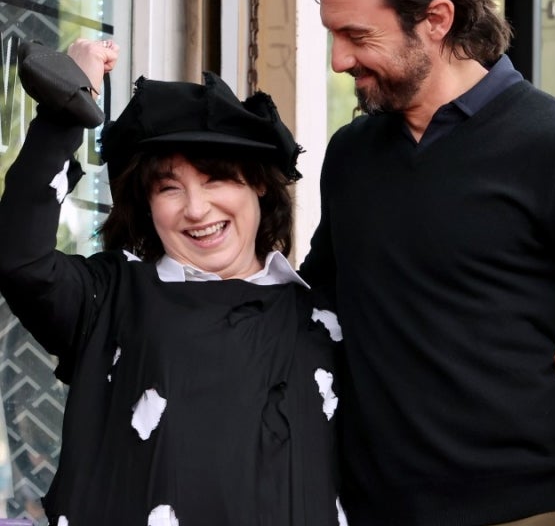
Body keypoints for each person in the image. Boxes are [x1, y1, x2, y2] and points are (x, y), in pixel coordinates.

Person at [299, 0, 555, 526]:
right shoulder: (352, 155)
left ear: (437, 18)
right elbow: (315, 313)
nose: (339, 60)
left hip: (531, 513)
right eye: (333, 35)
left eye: (358, 36)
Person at [0, 39, 344, 525]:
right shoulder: (110, 298)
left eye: (216, 179)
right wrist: (68, 105)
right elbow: (20, 259)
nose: (196, 209)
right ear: (147, 204)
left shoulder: (325, 320)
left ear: (259, 183)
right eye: (169, 188)